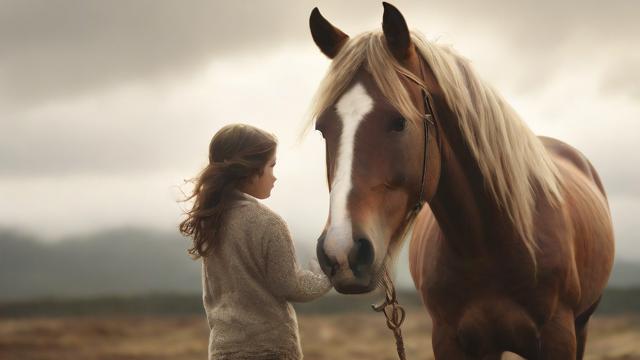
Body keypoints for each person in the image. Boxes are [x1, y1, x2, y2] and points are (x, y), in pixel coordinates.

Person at [179, 123, 331, 360]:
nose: (274, 176)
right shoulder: (268, 223)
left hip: (221, 352)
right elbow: (292, 286)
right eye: (271, 166)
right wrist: (328, 273)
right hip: (269, 351)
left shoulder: (210, 219)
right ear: (249, 171)